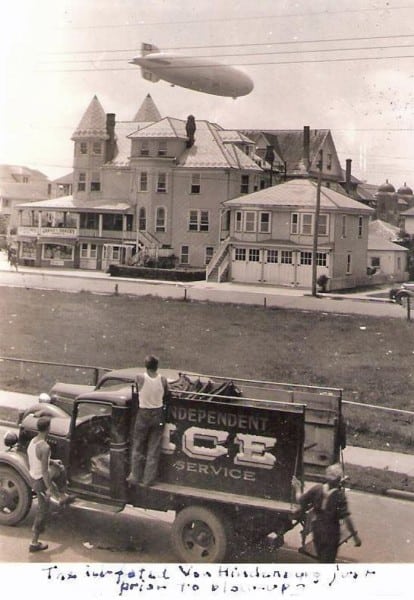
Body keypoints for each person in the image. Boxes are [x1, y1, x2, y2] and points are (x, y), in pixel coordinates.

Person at [292, 463, 361, 563]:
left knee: (321, 559)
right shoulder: (339, 496)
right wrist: (355, 536)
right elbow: (347, 518)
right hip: (332, 532)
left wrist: (297, 488)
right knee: (328, 561)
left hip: (317, 529)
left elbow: (300, 500)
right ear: (338, 480)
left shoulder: (317, 489)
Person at [27, 416, 74, 553]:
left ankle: (61, 495)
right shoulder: (45, 447)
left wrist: (53, 461)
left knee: (60, 469)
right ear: (48, 428)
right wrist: (50, 488)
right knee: (42, 510)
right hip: (40, 480)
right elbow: (45, 473)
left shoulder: (34, 441)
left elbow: (38, 458)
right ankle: (34, 543)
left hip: (35, 475)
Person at [127, 355, 170, 487]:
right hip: (158, 413)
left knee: (138, 445)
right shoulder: (163, 379)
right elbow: (167, 394)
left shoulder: (140, 378)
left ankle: (135, 476)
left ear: (146, 366)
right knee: (154, 448)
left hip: (144, 413)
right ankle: (148, 479)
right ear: (157, 366)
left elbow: (136, 388)